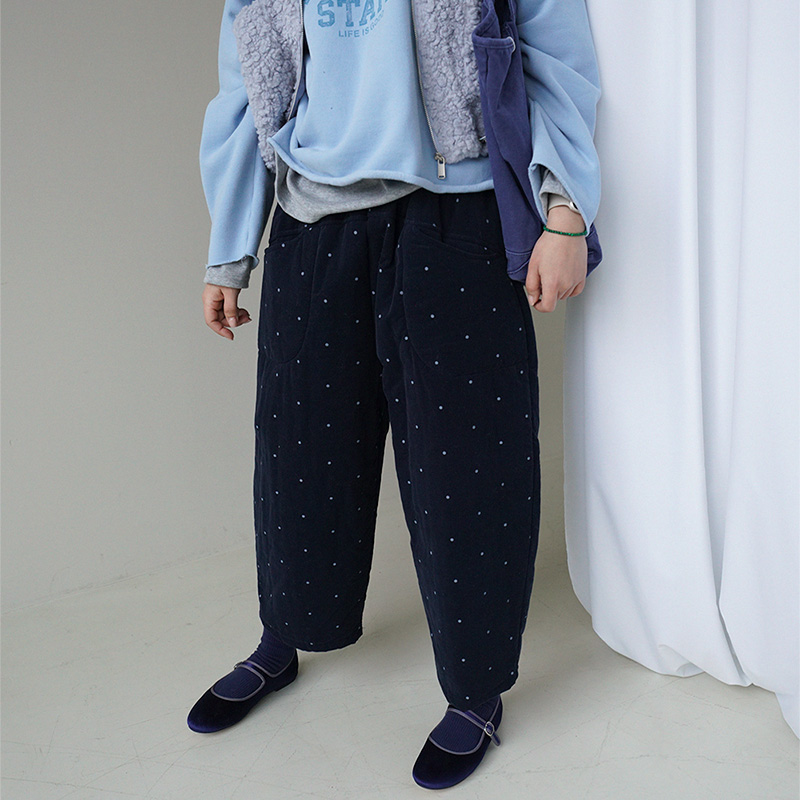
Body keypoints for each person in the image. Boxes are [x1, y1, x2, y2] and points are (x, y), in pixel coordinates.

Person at [190, 0, 601, 789]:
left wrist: (565, 210)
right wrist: (228, 249)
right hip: (313, 217)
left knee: (471, 470)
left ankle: (476, 692)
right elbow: (246, 79)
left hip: (458, 213)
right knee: (300, 456)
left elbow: (558, 60)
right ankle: (284, 638)